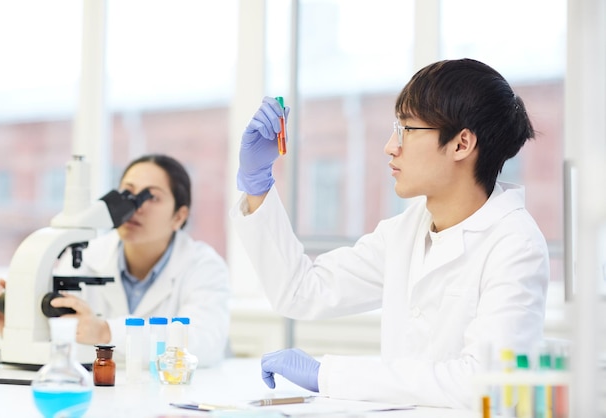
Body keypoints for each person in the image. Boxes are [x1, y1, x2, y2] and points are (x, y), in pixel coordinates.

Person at [230, 59, 549, 408]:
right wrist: (258, 183)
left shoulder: (515, 243)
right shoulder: (407, 230)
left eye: (407, 130)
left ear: (461, 144)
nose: (390, 146)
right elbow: (302, 291)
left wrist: (328, 375)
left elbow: (485, 384)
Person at [0, 154, 230, 367]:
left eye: (151, 197)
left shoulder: (203, 266)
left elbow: (205, 343)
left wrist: (106, 332)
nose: (136, 207)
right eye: (128, 194)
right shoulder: (86, 255)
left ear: (179, 216)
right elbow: (61, 344)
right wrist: (16, 328)